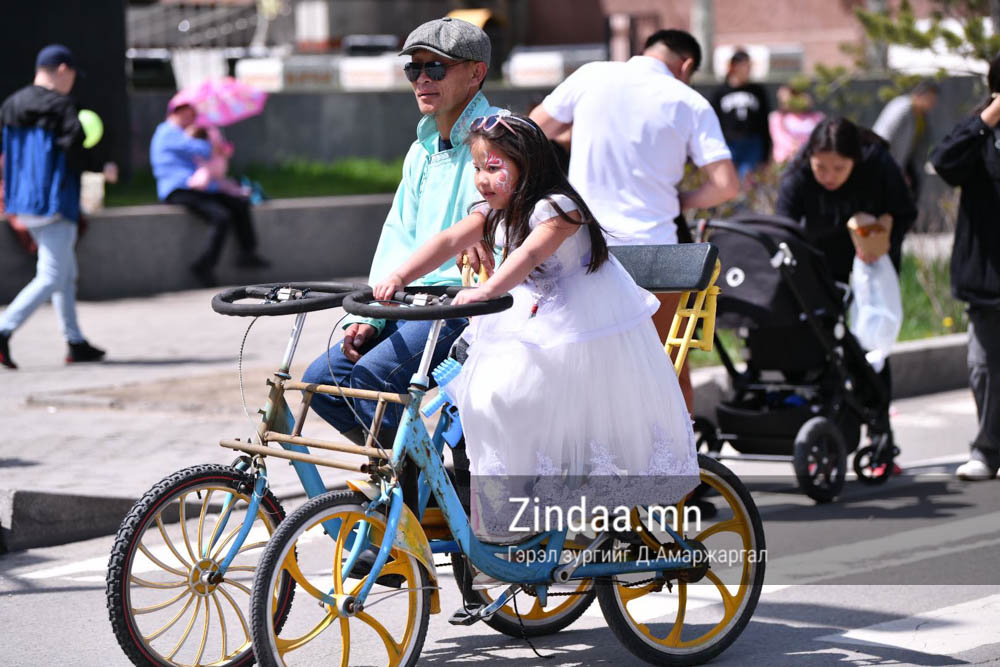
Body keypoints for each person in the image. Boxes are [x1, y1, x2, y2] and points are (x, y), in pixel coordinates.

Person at [373, 113, 699, 539]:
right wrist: (400, 276)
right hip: (530, 316)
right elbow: (449, 240)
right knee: (480, 397)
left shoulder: (557, 208)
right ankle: (516, 506)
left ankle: (547, 501)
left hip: (580, 324)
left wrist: (486, 290)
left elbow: (526, 256)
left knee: (516, 394)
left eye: (494, 167)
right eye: (477, 167)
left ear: (527, 166)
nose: (482, 179)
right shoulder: (495, 211)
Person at [301, 17, 502, 447]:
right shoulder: (420, 151)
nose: (422, 79)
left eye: (436, 68)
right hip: (416, 303)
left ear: (476, 73)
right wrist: (368, 315)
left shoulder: (503, 134)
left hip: (473, 306)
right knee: (321, 382)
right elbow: (397, 236)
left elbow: (516, 213)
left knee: (373, 376)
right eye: (414, 68)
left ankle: (407, 484)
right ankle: (418, 477)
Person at [529, 28, 739, 413]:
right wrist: (680, 200)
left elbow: (530, 133)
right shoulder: (688, 101)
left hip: (586, 248)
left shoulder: (591, 76)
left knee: (587, 366)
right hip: (656, 256)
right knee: (667, 367)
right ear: (686, 65)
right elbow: (726, 185)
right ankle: (680, 450)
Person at [776, 116, 917, 456]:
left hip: (870, 261)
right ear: (809, 157)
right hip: (820, 261)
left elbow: (905, 210)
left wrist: (884, 232)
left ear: (855, 159)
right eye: (821, 167)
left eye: (839, 168)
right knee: (823, 338)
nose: (829, 176)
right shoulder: (798, 175)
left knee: (869, 345)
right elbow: (782, 228)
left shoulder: (877, 163)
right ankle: (827, 426)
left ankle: (880, 433)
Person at [0, 44, 117, 369]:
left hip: (22, 200)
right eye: (73, 75)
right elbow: (74, 152)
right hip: (54, 201)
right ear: (63, 70)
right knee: (52, 275)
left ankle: (75, 341)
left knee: (65, 273)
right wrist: (102, 167)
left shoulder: (11, 104)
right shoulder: (63, 107)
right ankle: (4, 328)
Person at [930, 55, 1000, 481]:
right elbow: (944, 161)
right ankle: (987, 450)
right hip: (987, 274)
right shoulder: (979, 133)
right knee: (983, 365)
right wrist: (990, 116)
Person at [149, 98, 268, 287]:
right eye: (189, 115)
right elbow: (199, 149)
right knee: (221, 216)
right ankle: (204, 265)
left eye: (193, 116)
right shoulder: (167, 132)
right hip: (179, 189)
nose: (192, 119)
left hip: (198, 187)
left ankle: (248, 252)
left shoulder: (180, 133)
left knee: (238, 203)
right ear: (177, 112)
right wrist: (213, 141)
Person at [711, 49, 772, 180]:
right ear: (734, 67)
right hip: (728, 143)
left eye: (749, 66)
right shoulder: (720, 92)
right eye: (745, 66)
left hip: (752, 143)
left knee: (747, 179)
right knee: (728, 180)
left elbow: (764, 121)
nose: (748, 70)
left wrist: (766, 153)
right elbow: (714, 121)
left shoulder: (757, 91)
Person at [873, 80, 939, 197]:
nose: (932, 104)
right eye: (930, 99)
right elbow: (884, 137)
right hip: (887, 163)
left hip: (907, 165)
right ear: (920, 94)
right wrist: (894, 170)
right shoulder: (902, 108)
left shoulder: (922, 116)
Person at [185, 124, 250, 198]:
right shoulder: (205, 135)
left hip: (214, 171)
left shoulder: (212, 131)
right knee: (216, 183)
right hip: (208, 171)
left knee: (222, 184)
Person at [769, 84, 824, 164]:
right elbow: (780, 138)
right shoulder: (777, 117)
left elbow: (821, 137)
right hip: (787, 160)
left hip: (811, 160)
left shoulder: (818, 117)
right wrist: (797, 148)